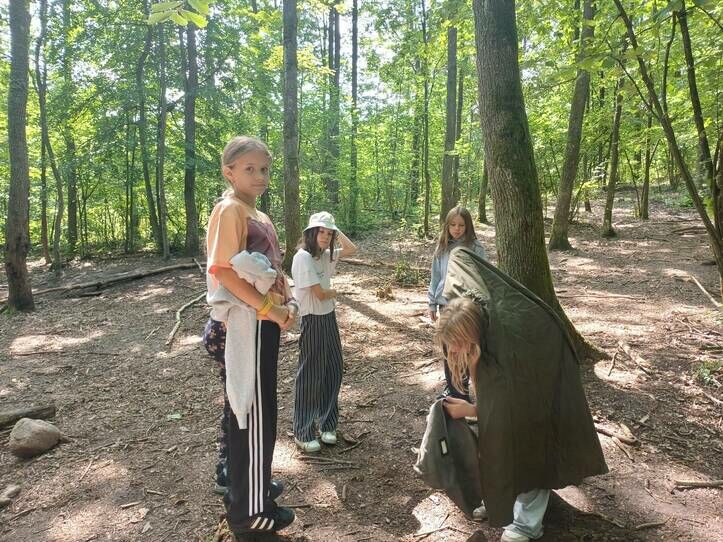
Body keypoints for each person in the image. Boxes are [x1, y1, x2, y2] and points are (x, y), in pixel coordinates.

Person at [435, 247, 608, 542]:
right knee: (502, 441)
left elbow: (506, 410)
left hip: (542, 363)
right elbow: (460, 254)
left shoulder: (506, 348)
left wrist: (471, 409)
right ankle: (502, 499)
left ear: (471, 336)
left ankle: (528, 523)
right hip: (516, 363)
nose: (453, 352)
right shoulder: (467, 305)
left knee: (531, 444)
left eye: (457, 345)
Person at [203, 135, 299, 537]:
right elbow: (222, 271)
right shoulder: (229, 210)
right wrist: (269, 310)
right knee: (253, 416)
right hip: (248, 326)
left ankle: (250, 487)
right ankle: (250, 513)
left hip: (263, 323)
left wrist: (288, 300)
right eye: (249, 169)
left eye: (264, 169)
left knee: (254, 413)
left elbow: (273, 268)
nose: (259, 176)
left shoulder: (259, 214)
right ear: (229, 172)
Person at [291, 212, 357, 452]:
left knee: (333, 369)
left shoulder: (325, 255)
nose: (326, 236)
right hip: (312, 319)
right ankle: (303, 431)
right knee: (311, 375)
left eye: (329, 233)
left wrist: (336, 231)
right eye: (321, 231)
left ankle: (328, 424)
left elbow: (351, 249)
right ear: (311, 233)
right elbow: (319, 294)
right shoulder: (303, 257)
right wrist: (334, 292)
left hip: (328, 316)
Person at [428, 206, 487, 400]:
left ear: (468, 226)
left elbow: (483, 276)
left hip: (465, 307)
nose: (457, 229)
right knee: (449, 348)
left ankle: (464, 390)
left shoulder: (475, 247)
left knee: (464, 348)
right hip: (445, 305)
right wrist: (432, 302)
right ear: (447, 225)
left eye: (461, 225)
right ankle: (453, 388)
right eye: (453, 224)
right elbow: (435, 276)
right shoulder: (442, 246)